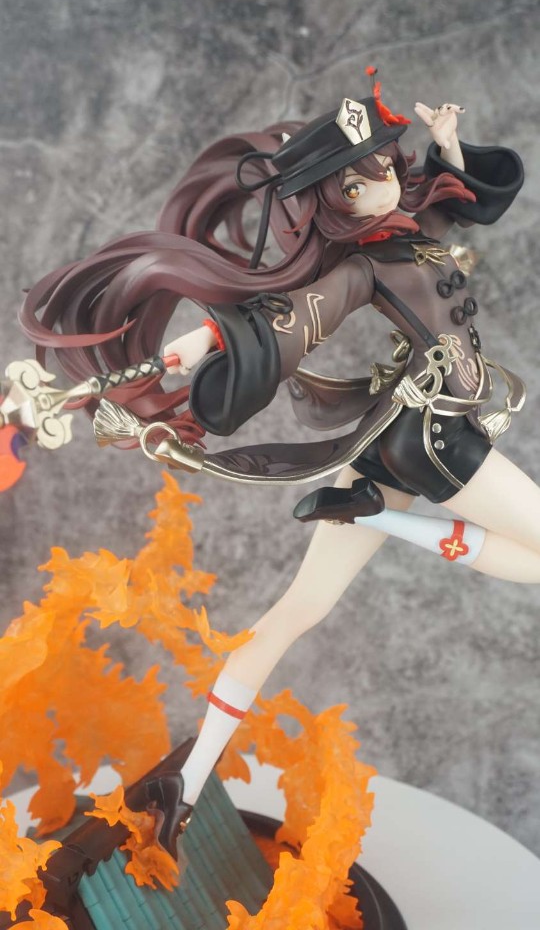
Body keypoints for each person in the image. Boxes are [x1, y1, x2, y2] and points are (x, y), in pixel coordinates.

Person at [19, 71, 537, 859]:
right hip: (435, 440)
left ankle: (184, 785)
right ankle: (385, 519)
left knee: (297, 612)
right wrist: (166, 359)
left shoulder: (411, 224)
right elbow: (266, 327)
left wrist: (448, 143)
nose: (384, 182)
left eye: (384, 167)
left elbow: (463, 200)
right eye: (360, 183)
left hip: (390, 440)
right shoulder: (358, 269)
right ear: (334, 203)